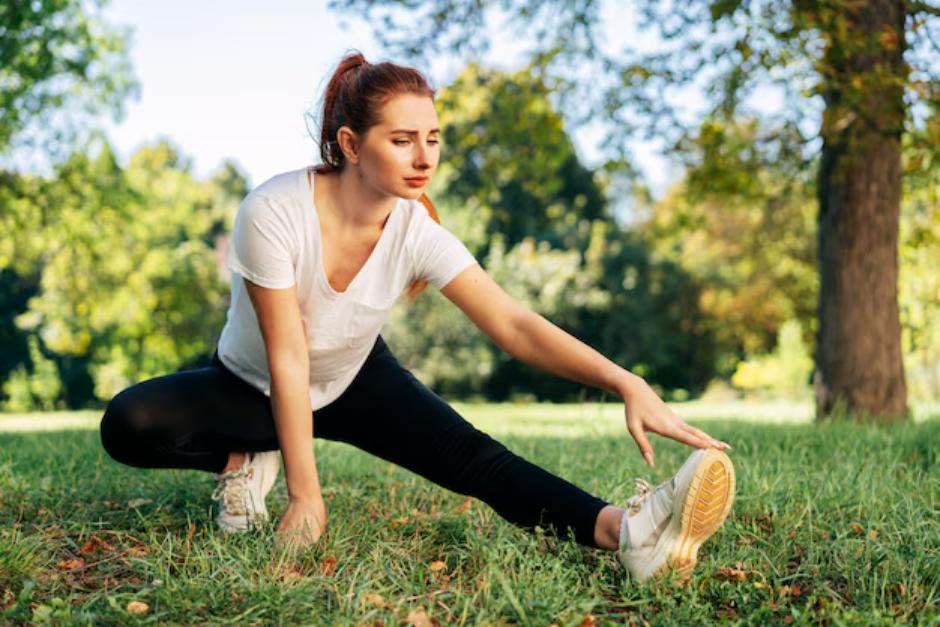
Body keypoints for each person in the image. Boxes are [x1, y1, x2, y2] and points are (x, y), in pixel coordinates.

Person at [99, 51, 736, 583]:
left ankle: (631, 533)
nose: (423, 157)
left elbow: (513, 326)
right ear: (351, 144)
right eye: (402, 140)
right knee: (129, 423)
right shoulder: (272, 212)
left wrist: (625, 381)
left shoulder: (417, 230)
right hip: (253, 385)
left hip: (354, 378)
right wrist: (305, 494)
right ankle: (243, 462)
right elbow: (288, 356)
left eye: (432, 138)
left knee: (477, 459)